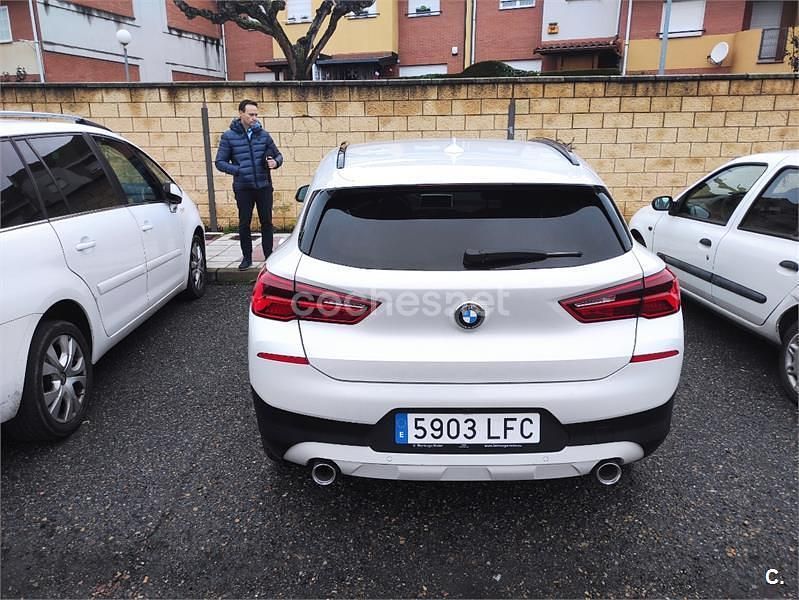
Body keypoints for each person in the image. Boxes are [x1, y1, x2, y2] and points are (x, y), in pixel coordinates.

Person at [215, 99, 283, 270]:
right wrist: (238, 170)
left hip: (264, 186)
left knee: (266, 222)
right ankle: (247, 258)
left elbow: (279, 156)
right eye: (251, 114)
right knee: (244, 223)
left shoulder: (263, 135)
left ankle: (269, 257)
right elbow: (220, 162)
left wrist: (275, 162)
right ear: (241, 114)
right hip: (243, 187)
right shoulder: (229, 136)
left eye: (256, 115)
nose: (254, 118)